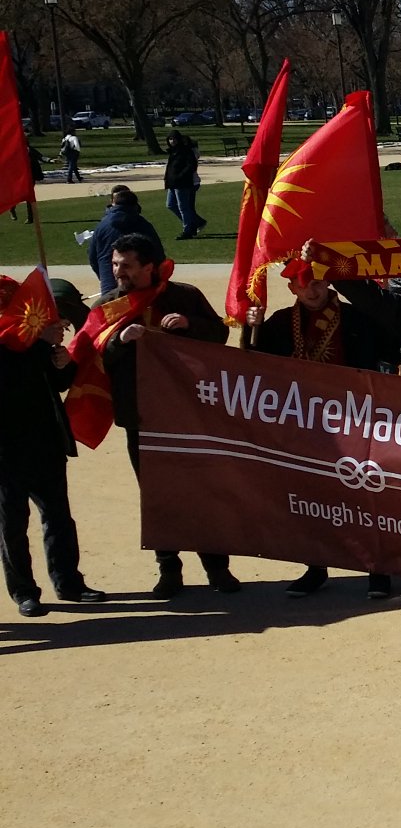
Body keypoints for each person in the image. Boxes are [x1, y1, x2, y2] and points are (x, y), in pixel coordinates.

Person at [92, 235, 239, 597]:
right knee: (157, 497)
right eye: (115, 264)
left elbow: (219, 334)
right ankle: (169, 570)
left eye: (127, 265)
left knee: (201, 492)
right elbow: (95, 356)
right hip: (140, 418)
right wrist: (119, 341)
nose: (118, 272)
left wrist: (189, 324)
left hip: (188, 415)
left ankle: (217, 568)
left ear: (149, 267)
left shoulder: (184, 296)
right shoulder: (110, 305)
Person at [255, 257, 400, 599]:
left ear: (328, 283)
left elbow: (390, 355)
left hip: (355, 420)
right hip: (303, 423)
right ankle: (315, 567)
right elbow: (254, 366)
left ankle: (377, 570)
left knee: (364, 494)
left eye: (317, 283)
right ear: (292, 288)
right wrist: (253, 328)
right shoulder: (279, 324)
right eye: (303, 285)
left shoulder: (357, 318)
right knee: (310, 497)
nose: (311, 291)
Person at [0, 275, 100, 617]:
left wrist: (61, 360)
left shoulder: (35, 340)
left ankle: (68, 582)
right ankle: (24, 591)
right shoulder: (20, 341)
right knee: (13, 524)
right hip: (6, 450)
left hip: (45, 440)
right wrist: (40, 343)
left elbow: (58, 381)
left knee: (58, 516)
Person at [86, 187, 161, 298]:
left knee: (111, 309)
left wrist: (104, 276)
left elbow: (92, 257)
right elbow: (158, 255)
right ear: (135, 205)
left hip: (109, 285)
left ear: (113, 204)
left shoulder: (102, 226)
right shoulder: (143, 224)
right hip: (140, 286)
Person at [162, 128, 204, 239]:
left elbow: (191, 166)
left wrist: (180, 176)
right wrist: (167, 180)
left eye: (174, 139)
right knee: (170, 205)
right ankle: (196, 222)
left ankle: (188, 230)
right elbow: (170, 168)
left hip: (183, 183)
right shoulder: (172, 152)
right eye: (170, 139)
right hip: (172, 183)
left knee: (183, 207)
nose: (172, 141)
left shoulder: (185, 151)